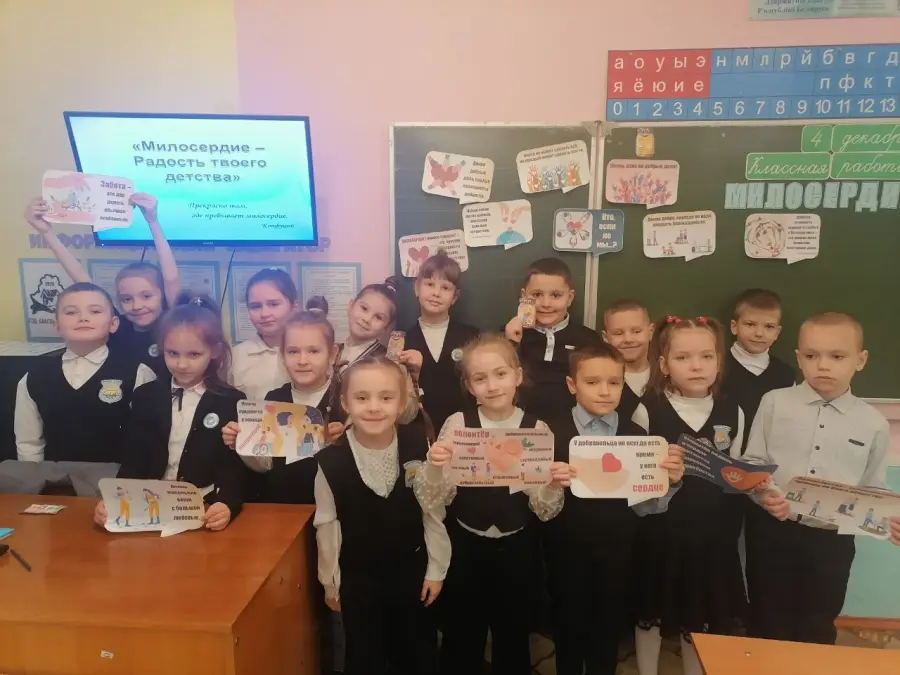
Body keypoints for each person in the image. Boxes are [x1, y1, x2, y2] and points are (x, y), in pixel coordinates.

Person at [414, 333, 574, 675]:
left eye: (500, 374)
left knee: (513, 636)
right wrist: (437, 465)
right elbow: (434, 498)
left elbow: (544, 509)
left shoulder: (536, 430)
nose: (492, 385)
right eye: (480, 378)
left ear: (517, 375)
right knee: (462, 635)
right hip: (466, 547)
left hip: (518, 549)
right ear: (469, 386)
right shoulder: (458, 425)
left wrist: (550, 485)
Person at [743, 312, 900, 645]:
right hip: (772, 531)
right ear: (799, 358)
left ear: (860, 360)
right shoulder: (774, 403)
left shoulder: (872, 423)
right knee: (766, 618)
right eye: (812, 356)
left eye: (837, 356)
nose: (823, 366)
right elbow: (753, 462)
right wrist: (763, 492)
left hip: (831, 542)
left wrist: (890, 521)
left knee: (817, 623)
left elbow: (873, 487)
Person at [545, 343, 684, 675]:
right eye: (592, 382)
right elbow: (537, 501)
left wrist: (669, 481)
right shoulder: (550, 432)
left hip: (618, 551)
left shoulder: (636, 436)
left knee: (607, 629)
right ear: (572, 385)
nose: (605, 391)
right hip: (564, 549)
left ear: (624, 384)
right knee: (567, 627)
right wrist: (549, 482)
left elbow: (646, 507)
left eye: (614, 382)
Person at [314, 356, 450, 675]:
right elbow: (327, 526)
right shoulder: (330, 460)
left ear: (401, 403)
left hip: (412, 574)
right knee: (365, 657)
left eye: (386, 398)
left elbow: (431, 512)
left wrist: (436, 569)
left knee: (417, 655)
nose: (374, 407)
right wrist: (331, 584)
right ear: (346, 402)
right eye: (362, 398)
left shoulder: (418, 444)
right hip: (359, 581)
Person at [634, 316, 746, 675]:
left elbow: (736, 475)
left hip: (712, 538)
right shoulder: (646, 409)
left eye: (706, 357)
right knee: (650, 613)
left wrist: (751, 480)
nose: (696, 366)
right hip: (661, 535)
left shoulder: (734, 412)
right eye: (683, 358)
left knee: (700, 617)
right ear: (664, 365)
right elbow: (637, 478)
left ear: (719, 363)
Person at [93, 293, 245, 532]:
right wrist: (112, 500)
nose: (181, 364)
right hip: (148, 508)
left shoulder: (230, 401)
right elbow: (133, 460)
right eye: (172, 353)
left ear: (214, 351)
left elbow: (232, 468)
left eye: (194, 354)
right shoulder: (146, 396)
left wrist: (227, 504)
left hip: (202, 509)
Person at [25, 194, 180, 376]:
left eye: (146, 296)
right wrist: (46, 233)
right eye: (126, 299)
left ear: (162, 295)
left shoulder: (172, 323)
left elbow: (171, 278)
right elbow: (83, 282)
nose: (137, 306)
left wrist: (152, 222)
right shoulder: (117, 326)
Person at [223, 296, 347, 504]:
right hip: (284, 507)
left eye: (313, 351)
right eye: (293, 351)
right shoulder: (274, 399)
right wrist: (242, 444)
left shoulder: (346, 399)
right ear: (282, 355)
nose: (302, 360)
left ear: (332, 354)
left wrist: (346, 442)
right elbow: (266, 464)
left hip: (335, 509)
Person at [15, 282, 156, 463]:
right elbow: (29, 443)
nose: (83, 318)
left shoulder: (138, 373)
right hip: (54, 477)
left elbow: (149, 440)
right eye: (71, 312)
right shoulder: (34, 377)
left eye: (95, 311)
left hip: (116, 477)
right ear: (56, 325)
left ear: (113, 324)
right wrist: (33, 476)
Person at [504, 258, 604, 420]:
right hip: (521, 425)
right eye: (537, 295)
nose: (546, 303)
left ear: (570, 298)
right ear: (524, 297)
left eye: (556, 295)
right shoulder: (507, 336)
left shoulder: (589, 340)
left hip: (573, 424)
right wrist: (511, 343)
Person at [401, 251, 479, 434]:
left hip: (464, 431)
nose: (436, 293)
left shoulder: (471, 337)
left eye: (445, 288)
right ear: (417, 289)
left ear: (455, 297)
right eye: (429, 284)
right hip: (417, 433)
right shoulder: (403, 341)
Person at [721, 289, 796, 449]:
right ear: (734, 327)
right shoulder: (716, 368)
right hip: (721, 456)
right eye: (750, 324)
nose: (759, 333)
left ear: (777, 332)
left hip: (768, 458)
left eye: (769, 326)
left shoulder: (786, 376)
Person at [230, 268, 298, 400]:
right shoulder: (234, 357)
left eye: (273, 304)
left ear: (294, 306)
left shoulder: (309, 354)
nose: (264, 314)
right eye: (255, 306)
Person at [601, 298, 653, 421]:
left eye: (636, 331)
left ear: (650, 332)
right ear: (605, 337)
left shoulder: (667, 378)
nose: (628, 339)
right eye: (618, 333)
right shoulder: (600, 381)